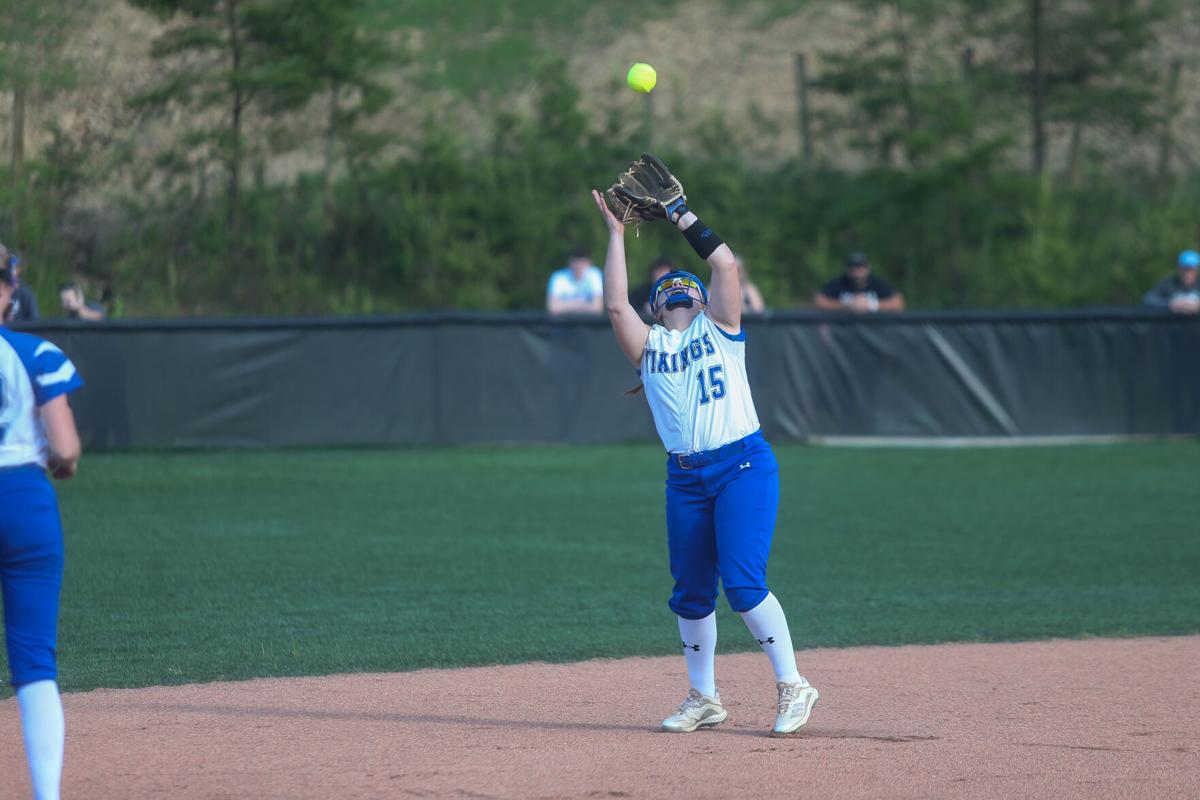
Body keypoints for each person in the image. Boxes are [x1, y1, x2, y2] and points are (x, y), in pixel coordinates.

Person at [590, 155, 818, 737]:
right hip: (686, 477)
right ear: (658, 308)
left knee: (742, 585)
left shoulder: (722, 331)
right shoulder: (649, 350)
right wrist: (616, 235)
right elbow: (615, 304)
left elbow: (724, 263)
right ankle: (704, 697)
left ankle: (793, 685)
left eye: (689, 294)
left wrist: (679, 214)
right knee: (691, 593)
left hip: (742, 465)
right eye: (672, 296)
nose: (683, 299)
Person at [1, 262, 84, 800]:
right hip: (24, 502)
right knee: (34, 662)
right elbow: (66, 449)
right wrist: (61, 465)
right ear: (7, 293)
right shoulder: (37, 354)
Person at [814, 251, 904, 312]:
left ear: (868, 268)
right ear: (848, 269)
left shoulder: (878, 283)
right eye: (853, 267)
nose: (857, 270)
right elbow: (819, 301)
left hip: (875, 334)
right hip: (842, 333)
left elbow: (898, 303)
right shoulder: (839, 283)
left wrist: (871, 305)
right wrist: (847, 305)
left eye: (861, 266)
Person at [545, 248, 604, 315]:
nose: (578, 265)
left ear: (589, 263)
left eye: (582, 261)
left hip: (589, 322)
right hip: (563, 322)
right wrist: (582, 305)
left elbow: (597, 308)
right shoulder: (558, 277)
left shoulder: (595, 275)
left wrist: (567, 305)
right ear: (569, 262)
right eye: (575, 261)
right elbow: (552, 308)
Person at [1142, 250, 1200, 314]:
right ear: (1179, 269)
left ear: (1196, 270)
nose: (1187, 274)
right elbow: (1148, 299)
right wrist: (1171, 304)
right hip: (1172, 323)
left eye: (1191, 270)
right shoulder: (1169, 283)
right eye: (1185, 269)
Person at [0, 244, 38, 323]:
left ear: (18, 269)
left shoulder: (25, 293)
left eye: (12, 267)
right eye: (7, 266)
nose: (9, 270)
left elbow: (34, 321)